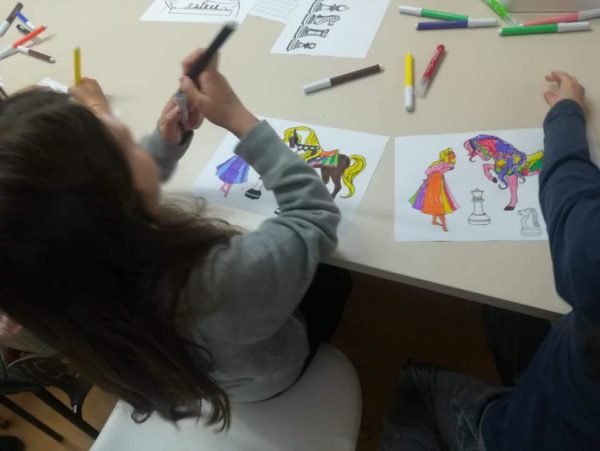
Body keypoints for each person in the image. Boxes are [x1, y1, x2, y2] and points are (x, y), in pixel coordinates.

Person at [0, 49, 350, 428]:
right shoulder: (221, 278)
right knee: (338, 278)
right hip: (269, 377)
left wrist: (165, 144)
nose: (133, 141)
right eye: (126, 148)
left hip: (197, 377)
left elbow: (117, 192)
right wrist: (239, 120)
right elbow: (315, 216)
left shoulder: (52, 283)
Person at [380, 71, 600, 450]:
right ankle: (522, 380)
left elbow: (570, 200)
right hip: (571, 388)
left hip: (531, 434)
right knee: (504, 308)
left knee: (414, 385)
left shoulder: (590, 264)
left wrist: (566, 112)